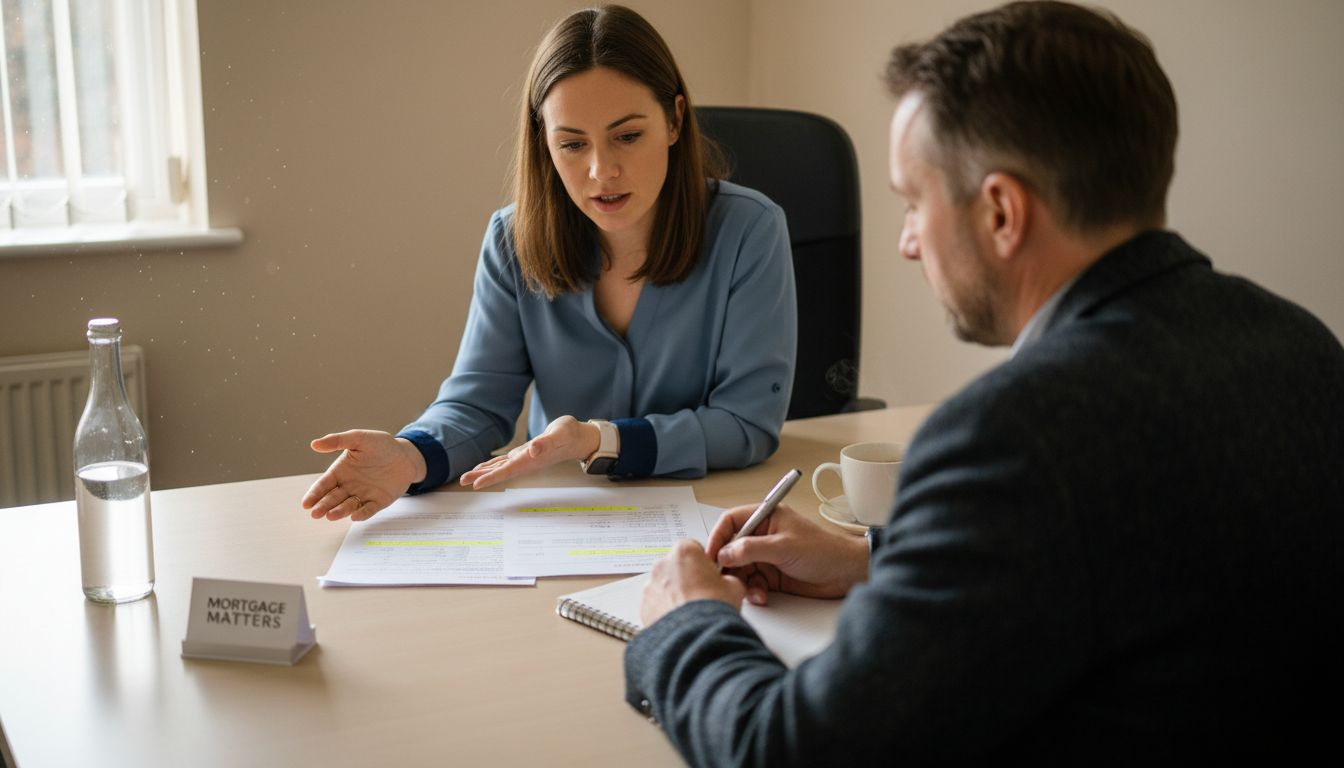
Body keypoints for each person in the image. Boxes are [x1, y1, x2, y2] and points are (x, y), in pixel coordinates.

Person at [626, 1, 1344, 762]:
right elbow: (1155, 559)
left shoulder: (1013, 437)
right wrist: (879, 559)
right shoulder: (1302, 348)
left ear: (1001, 211)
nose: (906, 242)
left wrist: (687, 619)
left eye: (913, 201)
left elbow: (789, 752)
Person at [301, 5, 796, 522]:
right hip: (563, 517)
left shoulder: (750, 230)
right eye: (572, 144)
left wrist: (597, 440)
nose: (602, 170)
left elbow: (746, 424)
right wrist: (410, 456)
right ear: (545, 142)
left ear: (674, 120)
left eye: (627, 136)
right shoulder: (511, 240)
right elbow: (478, 403)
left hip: (710, 514)